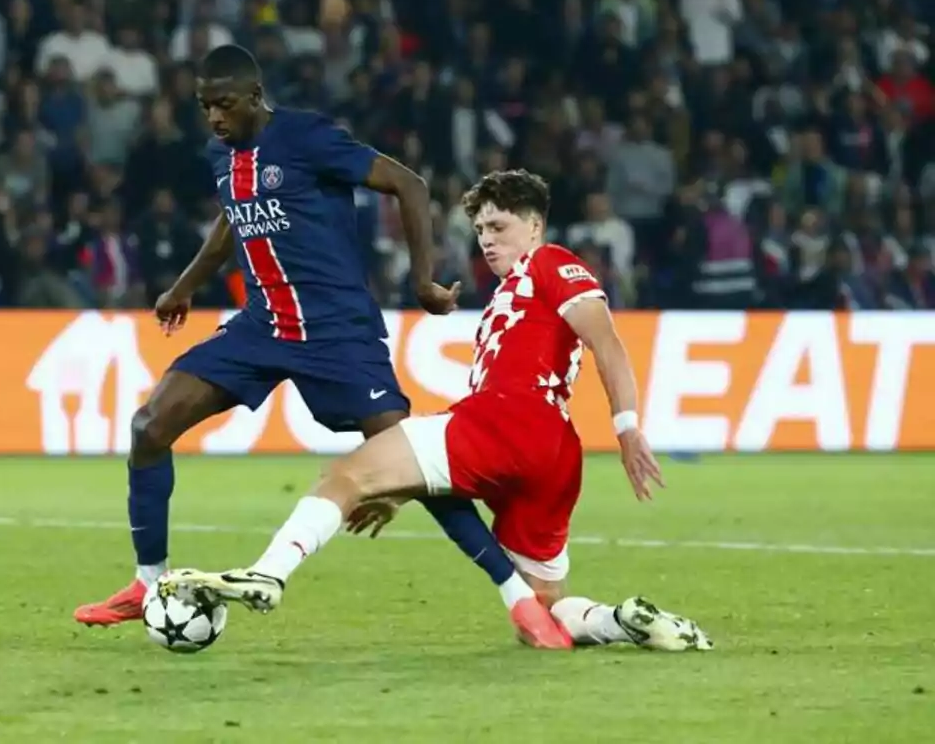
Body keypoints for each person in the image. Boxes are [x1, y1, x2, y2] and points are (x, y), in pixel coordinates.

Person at [163, 169, 714, 652]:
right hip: (549, 457)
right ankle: (620, 622)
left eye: (499, 227)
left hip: (509, 423)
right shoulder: (504, 296)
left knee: (345, 475)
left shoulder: (552, 262)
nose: (487, 240)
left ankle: (268, 574)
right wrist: (402, 488)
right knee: (541, 611)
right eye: (480, 230)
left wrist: (627, 428)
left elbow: (607, 341)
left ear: (536, 227)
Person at [74, 45, 525, 631]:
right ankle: (148, 581)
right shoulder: (222, 155)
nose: (214, 118)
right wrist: (184, 286)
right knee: (149, 427)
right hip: (262, 327)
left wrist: (422, 280)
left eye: (224, 105)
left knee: (415, 462)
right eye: (205, 106)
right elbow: (233, 220)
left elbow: (409, 185)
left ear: (255, 98)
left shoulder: (307, 138)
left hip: (337, 332)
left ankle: (517, 593)